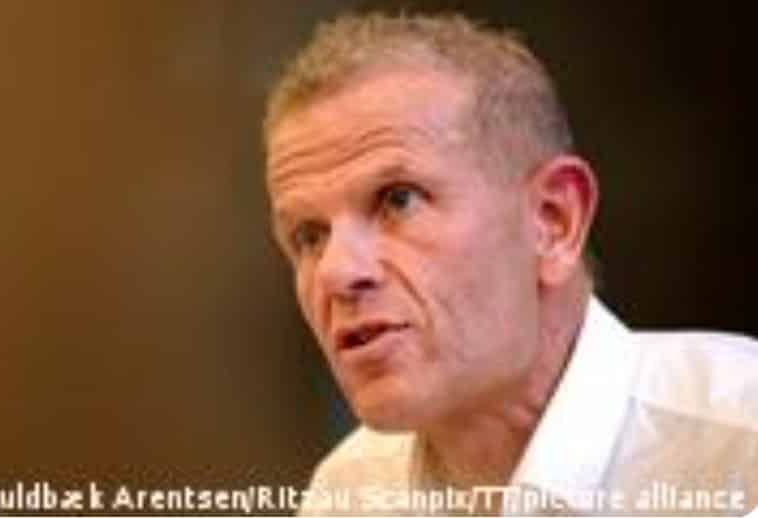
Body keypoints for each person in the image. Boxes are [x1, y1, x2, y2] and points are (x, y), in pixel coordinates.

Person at [263, 10, 757, 516]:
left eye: (399, 200)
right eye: (309, 236)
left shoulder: (740, 447)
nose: (336, 272)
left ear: (553, 221)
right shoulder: (347, 494)